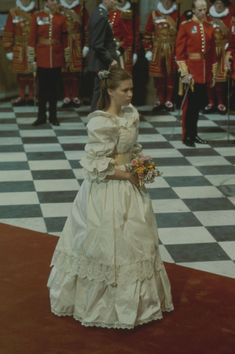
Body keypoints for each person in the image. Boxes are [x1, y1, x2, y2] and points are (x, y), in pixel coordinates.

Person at [47, 65, 174, 329]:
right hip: (108, 189)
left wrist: (141, 162)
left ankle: (138, 303)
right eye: (125, 90)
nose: (130, 94)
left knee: (136, 239)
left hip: (130, 185)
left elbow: (132, 146)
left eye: (132, 89)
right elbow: (95, 164)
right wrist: (127, 175)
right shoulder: (100, 122)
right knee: (106, 242)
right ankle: (101, 304)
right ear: (111, 91)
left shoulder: (131, 114)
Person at [175, 0, 217, 147]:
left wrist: (213, 73)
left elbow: (212, 54)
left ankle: (194, 134)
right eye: (199, 9)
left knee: (198, 105)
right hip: (191, 72)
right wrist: (185, 73)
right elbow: (179, 54)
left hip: (204, 72)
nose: (202, 12)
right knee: (189, 106)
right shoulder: (185, 26)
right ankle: (187, 135)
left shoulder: (209, 27)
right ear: (193, 10)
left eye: (204, 9)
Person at [27, 0, 67, 126]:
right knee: (42, 90)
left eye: (56, 1)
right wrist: (32, 59)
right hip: (42, 58)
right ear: (46, 2)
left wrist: (65, 57)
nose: (55, 3)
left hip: (56, 58)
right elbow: (32, 38)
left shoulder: (61, 18)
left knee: (54, 90)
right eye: (52, 0)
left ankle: (53, 116)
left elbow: (64, 39)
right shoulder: (37, 16)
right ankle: (41, 116)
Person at [143, 0, 179, 112]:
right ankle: (160, 99)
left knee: (170, 75)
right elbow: (147, 34)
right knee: (158, 76)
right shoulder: (154, 14)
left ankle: (168, 100)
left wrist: (179, 53)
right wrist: (148, 50)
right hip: (157, 49)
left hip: (172, 49)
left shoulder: (177, 15)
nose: (167, 2)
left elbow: (181, 36)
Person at [87, 0, 118, 112]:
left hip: (100, 60)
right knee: (100, 91)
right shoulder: (101, 16)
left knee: (102, 91)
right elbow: (97, 44)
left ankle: (98, 119)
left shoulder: (100, 13)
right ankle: (95, 120)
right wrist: (110, 60)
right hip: (101, 61)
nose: (115, 2)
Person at [2, 0, 36, 106]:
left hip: (32, 47)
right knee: (20, 73)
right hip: (18, 48)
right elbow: (8, 31)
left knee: (31, 73)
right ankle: (21, 96)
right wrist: (8, 49)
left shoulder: (37, 12)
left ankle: (31, 96)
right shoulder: (13, 13)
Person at [59, 0, 89, 108]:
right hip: (62, 43)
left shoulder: (81, 9)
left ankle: (75, 95)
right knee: (64, 71)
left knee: (75, 72)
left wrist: (86, 45)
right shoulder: (59, 8)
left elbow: (87, 28)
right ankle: (66, 96)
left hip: (77, 43)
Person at [205, 0, 232, 114]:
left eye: (221, 4)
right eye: (217, 3)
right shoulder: (206, 19)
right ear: (213, 5)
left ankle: (220, 103)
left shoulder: (230, 19)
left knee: (221, 78)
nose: (219, 5)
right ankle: (211, 102)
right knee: (210, 77)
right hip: (210, 52)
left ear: (224, 5)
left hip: (223, 52)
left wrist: (229, 46)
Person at [109, 0, 139, 74]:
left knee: (124, 77)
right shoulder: (110, 12)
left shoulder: (129, 13)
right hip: (109, 50)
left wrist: (135, 52)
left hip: (123, 50)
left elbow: (132, 35)